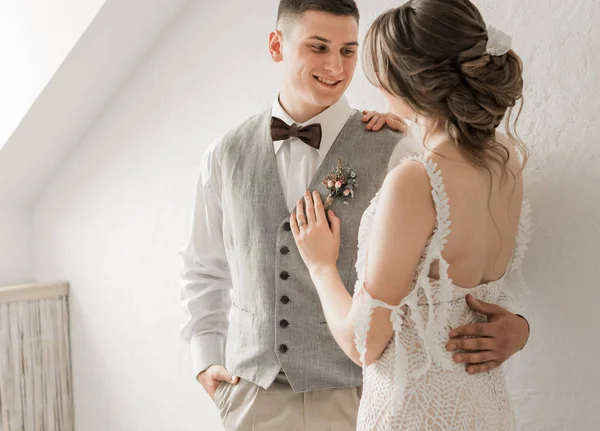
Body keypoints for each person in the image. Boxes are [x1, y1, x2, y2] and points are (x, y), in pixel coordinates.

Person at [180, 1, 529, 430]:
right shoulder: (223, 154)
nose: (336, 66)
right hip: (254, 394)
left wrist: (519, 325)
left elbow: (458, 259)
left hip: (361, 394)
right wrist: (205, 358)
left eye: (348, 50)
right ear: (277, 45)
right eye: (318, 47)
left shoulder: (400, 152)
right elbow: (204, 266)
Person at [291, 0, 531, 429]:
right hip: (485, 409)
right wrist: (522, 328)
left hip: (414, 413)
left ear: (407, 84)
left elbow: (364, 345)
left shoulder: (416, 182)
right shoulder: (506, 160)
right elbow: (476, 293)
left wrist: (320, 265)